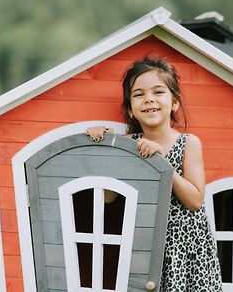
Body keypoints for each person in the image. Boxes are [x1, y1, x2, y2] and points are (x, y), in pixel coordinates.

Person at [86, 57, 222, 291]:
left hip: (187, 247)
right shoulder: (127, 145)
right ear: (130, 109)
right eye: (138, 94)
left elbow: (195, 200)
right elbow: (108, 198)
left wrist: (162, 162)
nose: (149, 99)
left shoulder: (188, 142)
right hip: (146, 242)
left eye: (158, 92)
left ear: (175, 103)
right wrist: (106, 147)